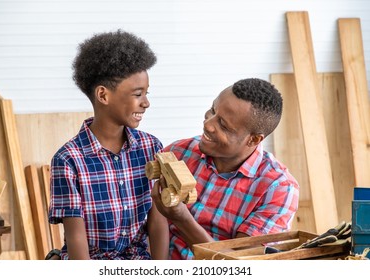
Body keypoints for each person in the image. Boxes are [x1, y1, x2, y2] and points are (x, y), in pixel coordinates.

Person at [48, 30, 169, 260]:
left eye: (146, 93)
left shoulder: (151, 147)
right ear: (103, 95)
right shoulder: (68, 160)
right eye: (138, 94)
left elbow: (158, 222)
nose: (146, 103)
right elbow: (76, 240)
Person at [151, 78, 300, 260]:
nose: (208, 124)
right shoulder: (178, 153)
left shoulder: (278, 189)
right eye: (212, 110)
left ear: (253, 140)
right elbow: (154, 223)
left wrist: (182, 218)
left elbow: (241, 266)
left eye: (223, 125)